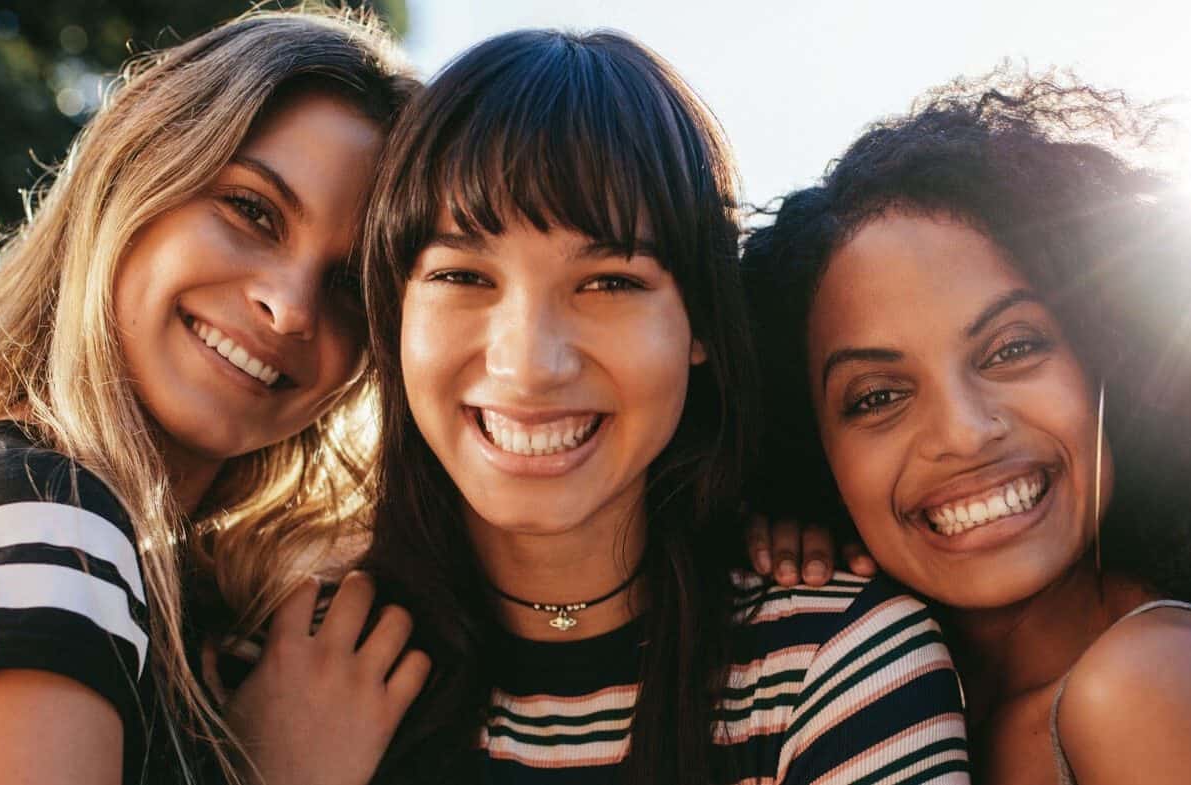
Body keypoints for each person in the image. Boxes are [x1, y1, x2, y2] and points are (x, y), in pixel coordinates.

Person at [0, 10, 427, 785]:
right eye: (251, 209)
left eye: (351, 283)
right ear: (135, 176)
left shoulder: (187, 599)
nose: (290, 307)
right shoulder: (42, 519)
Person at [343, 28, 967, 784]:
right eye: (462, 277)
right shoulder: (292, 671)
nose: (530, 364)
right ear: (393, 312)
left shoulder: (833, 660)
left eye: (609, 282)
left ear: (701, 323)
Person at [742, 72, 1191, 784]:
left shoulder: (1144, 682)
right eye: (877, 396)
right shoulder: (888, 706)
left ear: (1113, 359)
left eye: (1011, 349)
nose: (965, 431)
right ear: (815, 454)